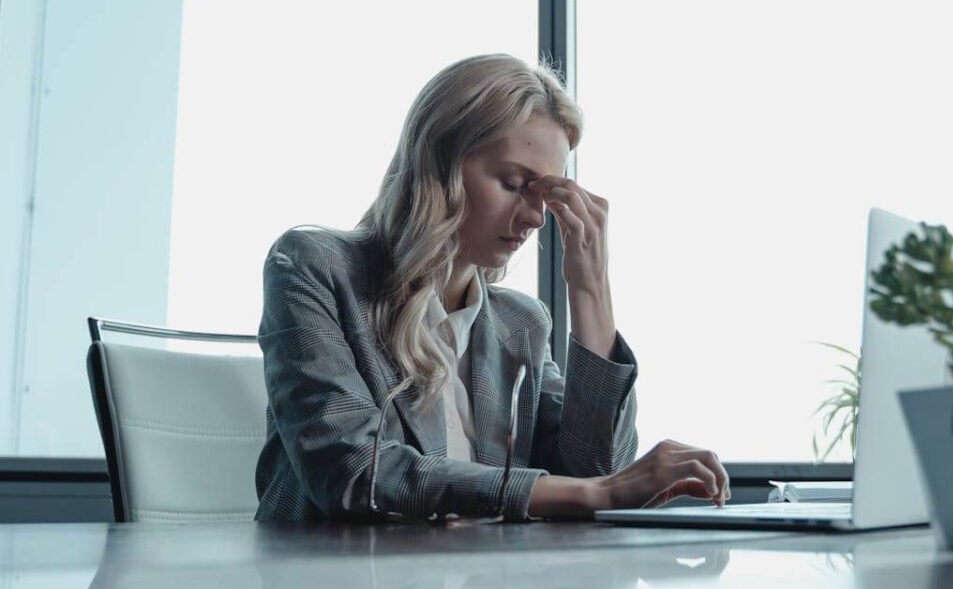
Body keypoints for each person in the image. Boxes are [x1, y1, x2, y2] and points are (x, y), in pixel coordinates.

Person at [254, 53, 729, 522]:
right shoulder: (313, 267)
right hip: (336, 588)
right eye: (513, 183)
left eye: (545, 194)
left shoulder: (520, 323)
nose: (535, 217)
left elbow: (594, 474)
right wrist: (594, 492)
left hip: (484, 586)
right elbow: (352, 472)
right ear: (437, 165)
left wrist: (591, 294)